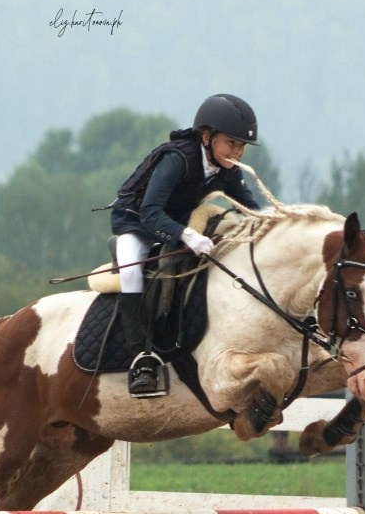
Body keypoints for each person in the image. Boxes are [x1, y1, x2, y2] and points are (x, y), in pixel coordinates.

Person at [109, 93, 262, 397]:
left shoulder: (227, 169)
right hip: (136, 223)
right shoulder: (177, 159)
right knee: (130, 273)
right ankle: (142, 358)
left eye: (242, 145)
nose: (238, 152)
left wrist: (274, 223)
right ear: (207, 137)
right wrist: (188, 236)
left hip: (175, 221)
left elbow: (249, 206)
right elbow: (151, 213)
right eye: (232, 143)